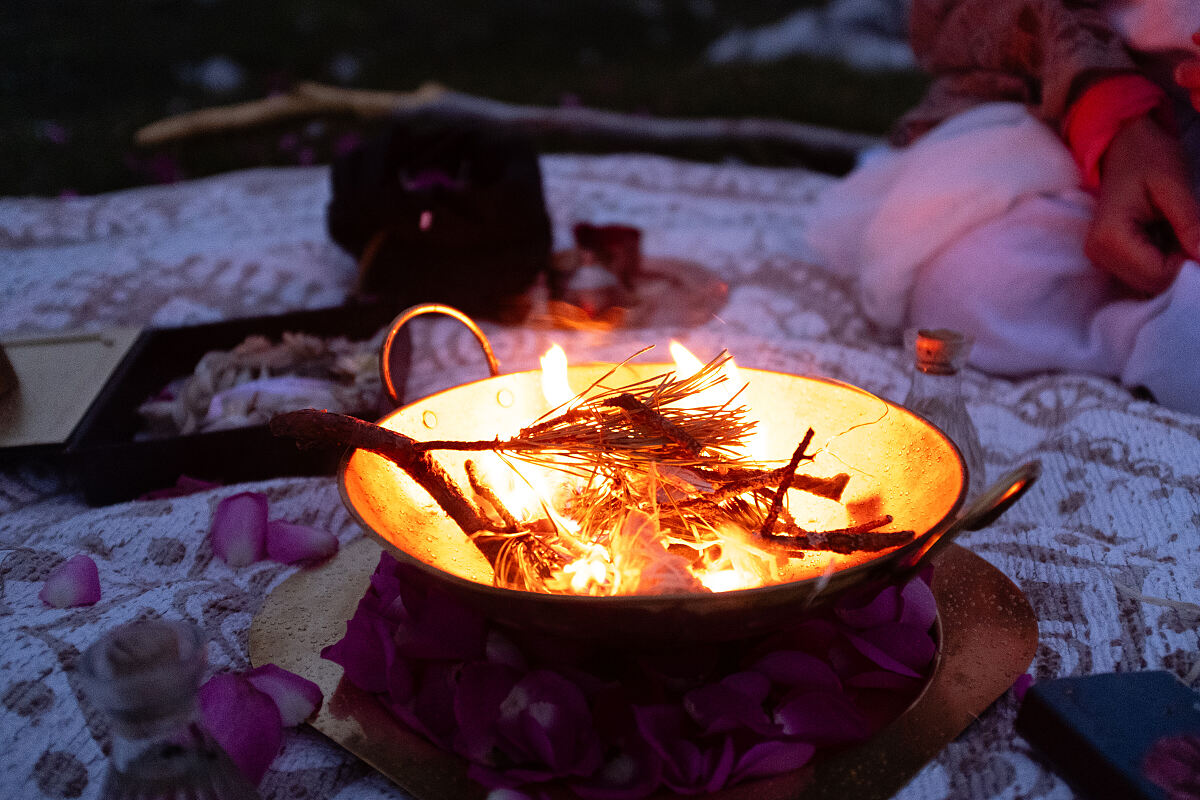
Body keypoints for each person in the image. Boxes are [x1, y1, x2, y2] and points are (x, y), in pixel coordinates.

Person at [805, 0, 1200, 414]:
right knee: (968, 284)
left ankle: (1175, 326)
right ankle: (1144, 326)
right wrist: (1114, 118)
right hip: (1092, 124)